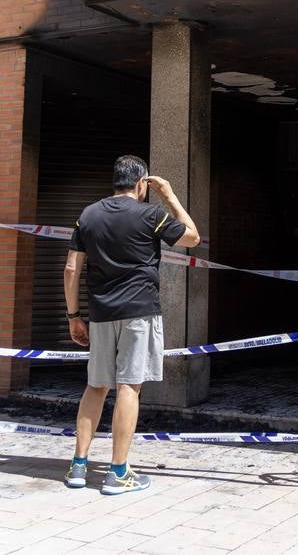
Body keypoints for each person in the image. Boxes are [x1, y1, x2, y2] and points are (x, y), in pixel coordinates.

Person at [63, 154, 200, 494]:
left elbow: (70, 269)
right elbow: (193, 238)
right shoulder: (151, 214)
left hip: (100, 314)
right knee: (129, 387)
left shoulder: (88, 215)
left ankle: (78, 466)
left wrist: (73, 316)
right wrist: (169, 197)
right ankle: (118, 472)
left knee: (96, 386)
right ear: (141, 184)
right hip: (139, 312)